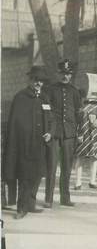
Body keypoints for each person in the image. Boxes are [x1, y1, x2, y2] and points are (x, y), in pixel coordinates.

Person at [4, 66, 54, 219]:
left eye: (41, 81)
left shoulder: (45, 98)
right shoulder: (21, 97)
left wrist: (50, 133)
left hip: (39, 145)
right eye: (36, 80)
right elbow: (16, 123)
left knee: (36, 175)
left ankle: (30, 204)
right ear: (30, 80)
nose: (39, 83)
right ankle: (21, 208)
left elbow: (52, 119)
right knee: (24, 176)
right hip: (24, 145)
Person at [44, 59, 81, 208]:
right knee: (51, 166)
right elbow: (46, 112)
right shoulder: (50, 90)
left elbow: (78, 112)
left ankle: (65, 198)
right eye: (63, 73)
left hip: (69, 134)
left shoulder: (75, 91)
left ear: (71, 75)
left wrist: (79, 132)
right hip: (55, 133)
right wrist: (49, 130)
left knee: (66, 167)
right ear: (59, 74)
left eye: (68, 74)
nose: (65, 76)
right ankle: (48, 199)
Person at [73, 74, 97, 190]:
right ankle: (78, 182)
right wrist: (79, 134)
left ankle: (92, 181)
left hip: (95, 135)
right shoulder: (81, 108)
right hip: (83, 134)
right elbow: (78, 122)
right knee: (80, 158)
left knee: (94, 158)